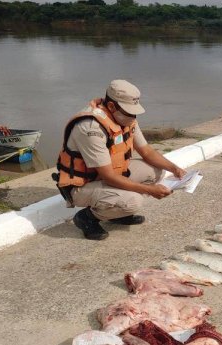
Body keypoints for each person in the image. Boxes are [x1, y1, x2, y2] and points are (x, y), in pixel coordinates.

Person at [54, 79, 186, 240]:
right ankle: (87, 217)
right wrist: (150, 190)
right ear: (111, 106)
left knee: (156, 171)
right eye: (129, 112)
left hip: (108, 176)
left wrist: (174, 168)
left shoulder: (125, 118)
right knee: (134, 201)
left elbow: (146, 151)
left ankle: (117, 213)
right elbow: (109, 176)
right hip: (83, 185)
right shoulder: (90, 128)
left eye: (135, 112)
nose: (133, 116)